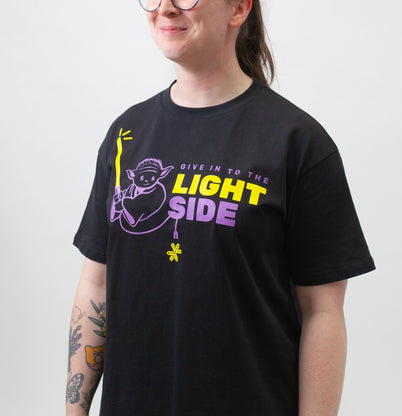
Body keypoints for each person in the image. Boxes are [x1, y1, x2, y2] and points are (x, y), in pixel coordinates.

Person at [66, 0, 376, 415]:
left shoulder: (298, 142)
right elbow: (96, 285)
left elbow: (323, 312)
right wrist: (74, 410)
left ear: (238, 9)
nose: (165, 8)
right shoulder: (126, 134)